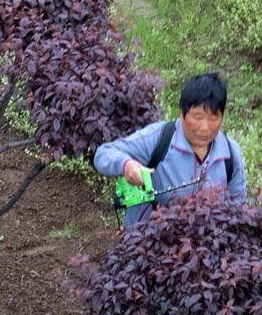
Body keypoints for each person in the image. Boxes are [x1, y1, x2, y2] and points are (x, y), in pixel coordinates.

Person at [92, 72, 248, 231]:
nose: (205, 127)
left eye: (213, 118)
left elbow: (238, 207)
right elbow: (103, 154)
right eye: (198, 117)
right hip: (148, 241)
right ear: (182, 113)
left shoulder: (231, 154)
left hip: (202, 248)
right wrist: (126, 165)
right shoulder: (160, 138)